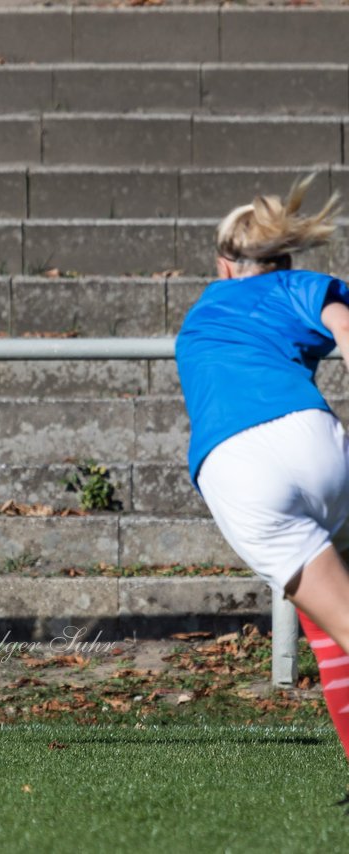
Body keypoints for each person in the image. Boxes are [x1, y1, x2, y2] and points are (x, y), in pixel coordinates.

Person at [176, 174, 349, 775]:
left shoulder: (204, 310)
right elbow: (346, 329)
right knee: (328, 624)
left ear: (224, 264)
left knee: (341, 620)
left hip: (237, 464)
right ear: (285, 257)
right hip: (315, 440)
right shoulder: (299, 286)